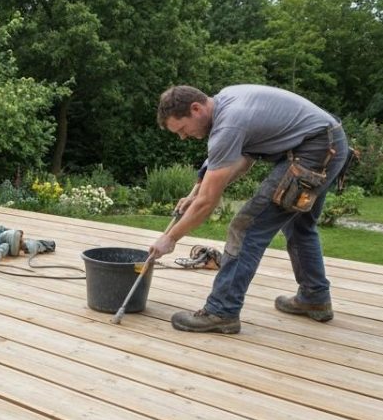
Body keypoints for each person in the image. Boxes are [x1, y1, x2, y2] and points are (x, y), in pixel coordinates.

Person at [148, 84, 350, 334]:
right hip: (327, 142)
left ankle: (221, 311)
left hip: (315, 151)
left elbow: (207, 203)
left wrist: (170, 238)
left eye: (182, 129)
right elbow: (242, 162)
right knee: (299, 225)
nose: (183, 136)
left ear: (196, 108)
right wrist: (197, 191)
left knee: (246, 228)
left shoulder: (228, 124)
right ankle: (314, 297)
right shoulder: (226, 102)